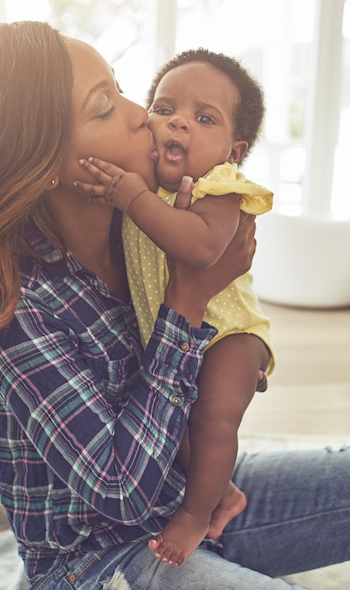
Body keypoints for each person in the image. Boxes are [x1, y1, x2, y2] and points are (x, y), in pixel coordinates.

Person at [0, 21, 350, 590]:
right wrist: (186, 304)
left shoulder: (144, 230)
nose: (141, 114)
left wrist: (229, 358)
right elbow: (119, 491)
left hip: (190, 501)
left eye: (121, 87)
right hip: (95, 560)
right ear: (43, 162)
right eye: (104, 106)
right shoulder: (11, 303)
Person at [75, 48, 274, 566]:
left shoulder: (220, 188)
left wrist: (129, 196)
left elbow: (204, 250)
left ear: (234, 150)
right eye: (164, 109)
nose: (176, 122)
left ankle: (194, 514)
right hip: (183, 333)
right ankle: (223, 491)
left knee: (211, 420)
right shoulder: (150, 188)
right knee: (175, 428)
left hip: (230, 334)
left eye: (203, 118)